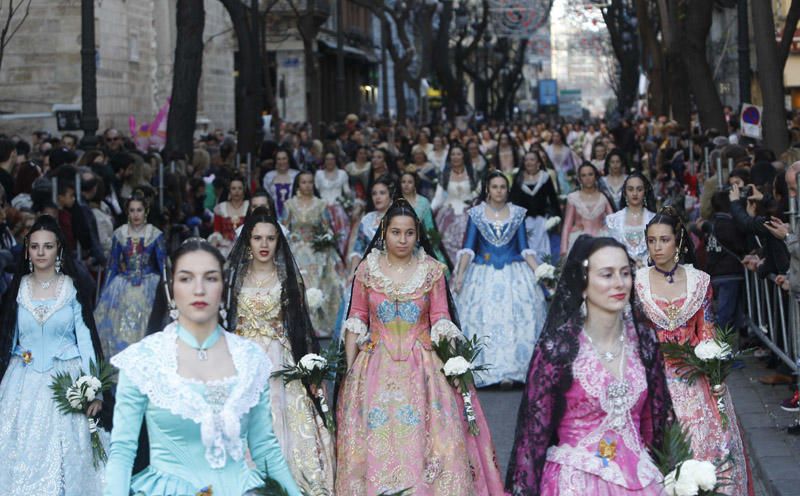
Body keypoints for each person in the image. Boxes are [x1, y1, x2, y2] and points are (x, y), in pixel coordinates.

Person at [104, 238, 302, 496]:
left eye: (210, 278)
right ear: (171, 287)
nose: (199, 289)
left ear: (224, 285)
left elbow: (265, 447)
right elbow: (122, 451)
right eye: (186, 278)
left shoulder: (251, 358)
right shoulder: (143, 360)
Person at [337, 197, 504, 495]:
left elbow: (440, 316)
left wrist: (454, 357)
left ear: (417, 234)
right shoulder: (367, 270)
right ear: (384, 231)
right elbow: (357, 316)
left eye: (409, 233)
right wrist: (350, 370)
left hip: (423, 367)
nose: (403, 239)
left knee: (425, 438)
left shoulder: (432, 270)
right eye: (396, 232)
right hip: (375, 366)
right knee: (379, 436)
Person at [506, 235, 672, 495]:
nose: (619, 283)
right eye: (606, 274)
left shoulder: (644, 341)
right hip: (576, 481)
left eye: (625, 273)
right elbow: (532, 438)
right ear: (583, 284)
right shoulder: (558, 349)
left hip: (641, 480)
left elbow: (656, 420)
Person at [635, 207, 752, 496]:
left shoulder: (699, 281)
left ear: (679, 242)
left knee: (707, 452)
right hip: (654, 382)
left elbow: (707, 331)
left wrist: (714, 371)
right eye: (651, 240)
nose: (657, 247)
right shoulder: (637, 282)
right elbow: (635, 336)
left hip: (695, 379)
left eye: (664, 240)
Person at [226, 208, 335, 494]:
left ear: (278, 241)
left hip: (279, 359)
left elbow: (300, 326)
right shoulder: (233, 279)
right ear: (247, 241)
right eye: (258, 238)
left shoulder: (287, 278)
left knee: (283, 421)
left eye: (270, 238)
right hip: (242, 359)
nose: (264, 244)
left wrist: (311, 368)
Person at [0, 215, 109, 494]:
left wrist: (94, 388)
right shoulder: (18, 289)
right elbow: (9, 337)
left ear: (58, 249)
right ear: (27, 250)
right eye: (35, 246)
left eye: (47, 246)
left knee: (66, 451)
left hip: (67, 378)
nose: (40, 253)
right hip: (22, 381)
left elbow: (85, 341)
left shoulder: (71, 288)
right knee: (20, 446)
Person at [452, 171, 547, 387]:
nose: (499, 191)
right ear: (488, 189)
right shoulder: (476, 214)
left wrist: (540, 272)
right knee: (482, 319)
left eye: (503, 187)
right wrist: (459, 275)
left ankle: (513, 372)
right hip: (482, 273)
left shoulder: (517, 213)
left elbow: (525, 249)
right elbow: (468, 247)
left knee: (518, 318)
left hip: (514, 273)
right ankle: (486, 371)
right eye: (494, 187)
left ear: (508, 189)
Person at [94, 192, 166, 357]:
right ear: (127, 212)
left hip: (149, 283)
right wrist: (105, 292)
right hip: (123, 283)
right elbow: (112, 265)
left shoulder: (155, 235)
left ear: (145, 211)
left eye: (139, 210)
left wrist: (167, 293)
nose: (135, 214)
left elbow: (162, 266)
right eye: (132, 210)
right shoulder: (120, 234)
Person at [284, 171, 344, 337]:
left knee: (325, 278)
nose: (307, 185)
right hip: (294, 248)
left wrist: (325, 239)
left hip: (317, 249)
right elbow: (284, 228)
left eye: (310, 182)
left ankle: (317, 323)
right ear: (298, 185)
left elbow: (326, 228)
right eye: (303, 182)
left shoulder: (320, 204)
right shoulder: (289, 204)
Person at [510, 150, 562, 263]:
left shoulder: (545, 177)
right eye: (526, 160)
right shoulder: (519, 179)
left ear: (538, 162)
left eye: (532, 159)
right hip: (524, 223)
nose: (529, 162)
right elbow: (513, 201)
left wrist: (557, 217)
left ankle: (544, 273)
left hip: (541, 221)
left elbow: (553, 199)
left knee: (543, 249)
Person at [431, 143, 480, 262]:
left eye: (458, 154)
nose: (455, 157)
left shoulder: (472, 173)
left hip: (469, 212)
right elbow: (438, 197)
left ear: (464, 156)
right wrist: (428, 211)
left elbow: (479, 192)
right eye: (453, 154)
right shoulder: (445, 175)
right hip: (448, 213)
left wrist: (472, 200)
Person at [560, 162, 614, 256]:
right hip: (578, 240)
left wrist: (606, 230)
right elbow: (567, 225)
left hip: (600, 240)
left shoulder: (603, 197)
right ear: (579, 178)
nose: (587, 178)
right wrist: (564, 249)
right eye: (584, 175)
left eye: (590, 174)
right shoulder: (573, 198)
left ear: (595, 176)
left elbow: (613, 222)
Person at [605, 172, 657, 268]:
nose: (635, 193)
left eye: (639, 189)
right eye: (630, 189)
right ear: (625, 192)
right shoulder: (613, 220)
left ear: (645, 192)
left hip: (651, 272)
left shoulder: (655, 219)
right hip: (620, 272)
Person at [315, 152, 354, 256]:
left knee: (342, 235)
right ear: (324, 161)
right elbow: (316, 191)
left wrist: (350, 202)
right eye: (327, 159)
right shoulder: (319, 174)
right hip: (323, 208)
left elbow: (347, 191)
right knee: (324, 235)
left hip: (339, 210)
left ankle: (341, 258)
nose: (330, 161)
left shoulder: (342, 174)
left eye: (332, 159)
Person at [212, 176, 249, 256]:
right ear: (229, 190)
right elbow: (217, 230)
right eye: (233, 188)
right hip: (224, 247)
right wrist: (214, 240)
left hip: (245, 247)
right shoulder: (220, 208)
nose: (237, 191)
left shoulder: (249, 206)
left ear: (244, 191)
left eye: (240, 188)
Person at [263, 149, 299, 219]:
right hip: (273, 215)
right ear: (275, 161)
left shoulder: (296, 175)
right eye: (278, 159)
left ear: (288, 160)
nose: (281, 162)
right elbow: (266, 196)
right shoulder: (269, 176)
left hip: (295, 215)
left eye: (284, 158)